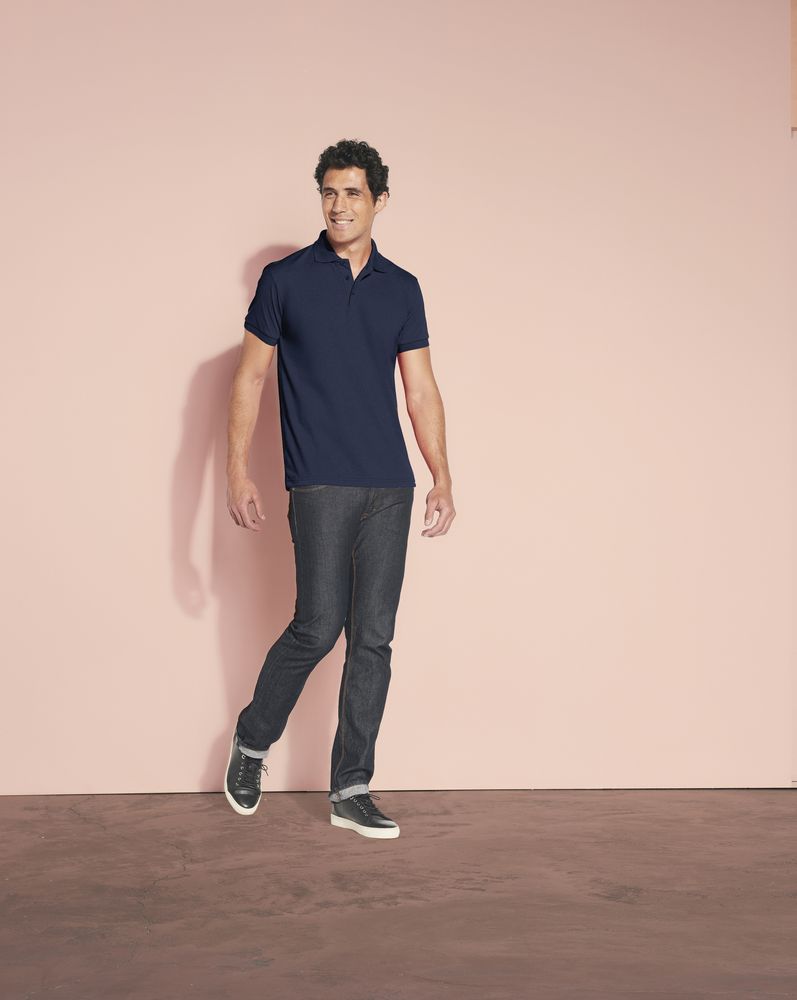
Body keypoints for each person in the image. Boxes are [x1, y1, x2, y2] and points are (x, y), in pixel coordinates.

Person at [223, 138, 455, 839]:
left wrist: (441, 474)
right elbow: (250, 377)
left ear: (378, 201)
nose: (338, 205)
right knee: (318, 625)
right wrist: (237, 468)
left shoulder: (402, 288)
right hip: (319, 480)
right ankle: (252, 741)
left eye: (353, 193)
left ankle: (350, 787)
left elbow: (420, 389)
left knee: (374, 639)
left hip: (389, 484)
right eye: (329, 192)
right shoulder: (284, 280)